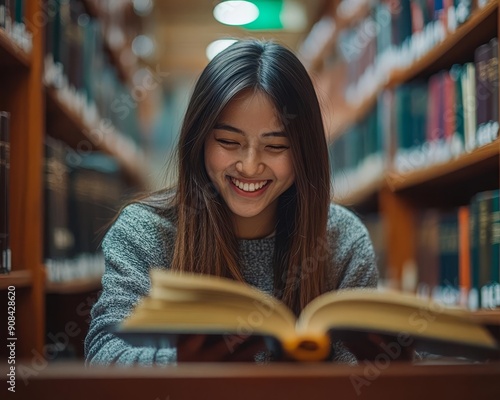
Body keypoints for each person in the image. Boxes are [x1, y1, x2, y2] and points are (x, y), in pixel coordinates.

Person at [84, 39, 378, 366]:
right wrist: (181, 365)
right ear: (199, 141)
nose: (250, 165)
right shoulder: (143, 233)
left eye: (276, 146)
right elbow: (103, 356)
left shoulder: (343, 241)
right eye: (228, 142)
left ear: (304, 152)